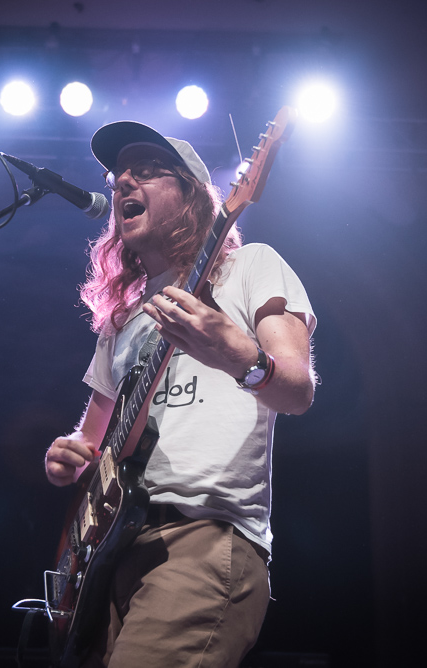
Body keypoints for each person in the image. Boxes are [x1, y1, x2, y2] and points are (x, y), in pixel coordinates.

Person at [43, 121, 317, 667]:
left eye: (145, 171)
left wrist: (240, 358)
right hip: (113, 552)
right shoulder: (121, 321)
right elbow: (94, 442)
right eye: (117, 175)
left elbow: (297, 391)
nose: (122, 182)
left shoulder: (250, 268)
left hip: (204, 540)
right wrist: (69, 454)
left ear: (193, 197)